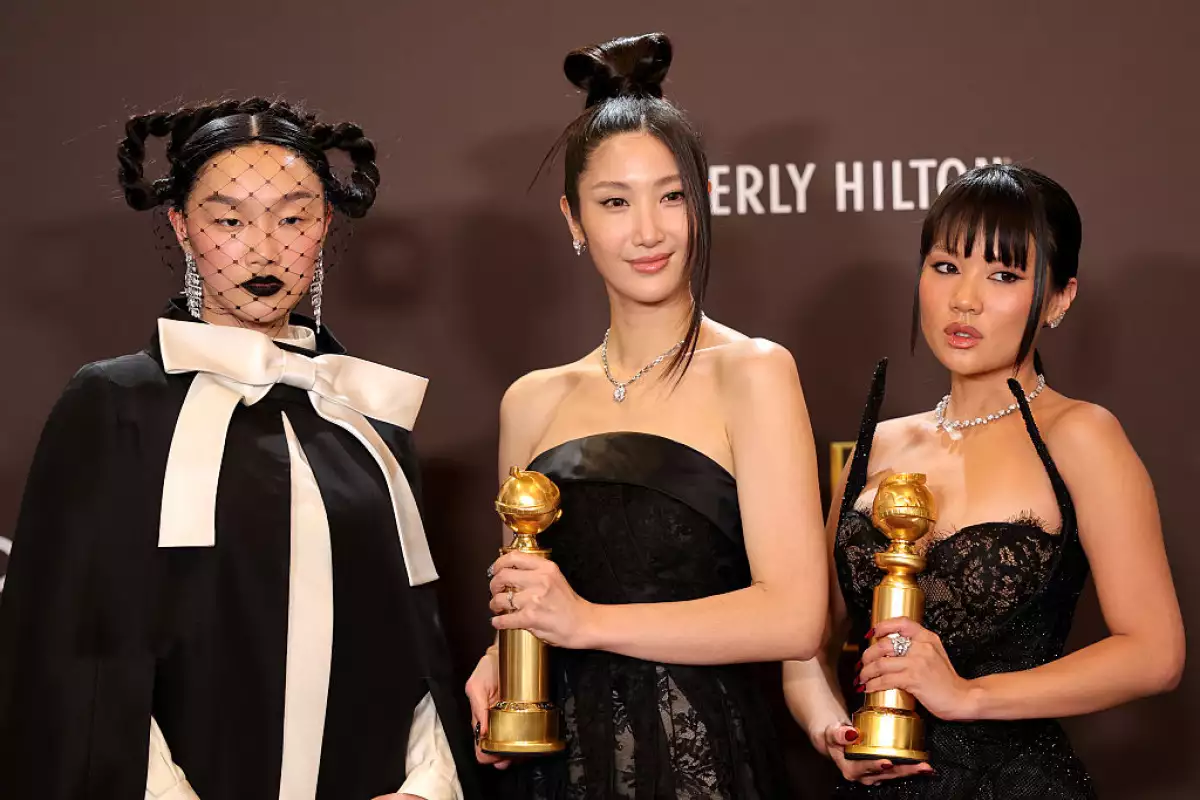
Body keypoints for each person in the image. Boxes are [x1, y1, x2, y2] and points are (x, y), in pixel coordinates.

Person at [0, 97, 479, 800]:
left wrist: (428, 787)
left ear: (323, 228)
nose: (263, 248)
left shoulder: (368, 416)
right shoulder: (113, 405)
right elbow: (69, 655)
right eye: (229, 219)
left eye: (293, 218)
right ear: (183, 228)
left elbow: (418, 643)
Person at [464, 33, 828, 799]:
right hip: (553, 766)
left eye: (670, 196)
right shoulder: (531, 401)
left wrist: (587, 622)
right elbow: (529, 603)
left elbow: (794, 618)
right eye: (614, 203)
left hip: (702, 766)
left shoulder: (754, 373)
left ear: (698, 201)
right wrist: (496, 660)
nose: (649, 232)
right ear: (574, 220)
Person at [783, 164, 1185, 798]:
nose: (964, 299)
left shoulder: (1081, 436)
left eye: (1003, 275)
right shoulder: (877, 445)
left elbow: (1154, 653)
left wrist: (968, 696)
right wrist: (829, 727)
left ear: (1060, 298)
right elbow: (806, 636)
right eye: (946, 267)